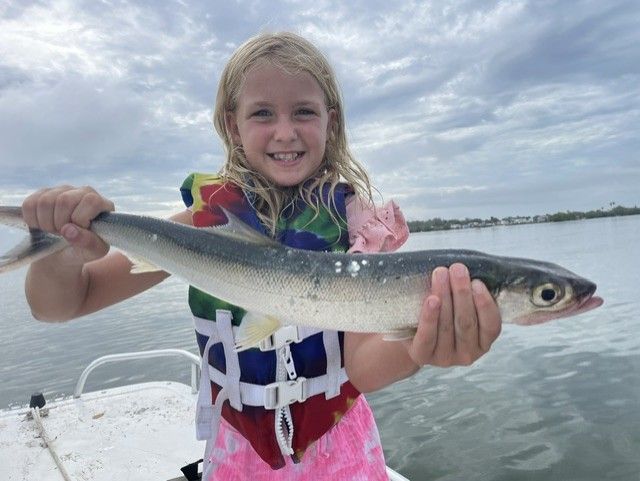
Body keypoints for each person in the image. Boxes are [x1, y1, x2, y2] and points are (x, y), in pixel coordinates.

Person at [21, 32, 502, 480]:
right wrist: (60, 245)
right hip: (238, 455)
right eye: (263, 113)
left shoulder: (356, 233)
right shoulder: (200, 227)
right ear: (233, 125)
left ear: (330, 120)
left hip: (340, 450)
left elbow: (365, 369)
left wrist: (420, 346)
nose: (285, 132)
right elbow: (63, 303)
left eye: (304, 112)